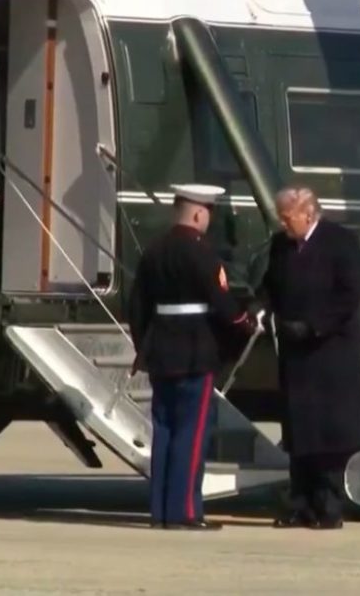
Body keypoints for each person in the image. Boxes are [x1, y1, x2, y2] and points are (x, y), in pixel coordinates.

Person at [127, 183, 263, 531]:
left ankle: (160, 510)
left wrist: (143, 346)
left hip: (161, 351)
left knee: (164, 430)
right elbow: (221, 302)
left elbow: (137, 306)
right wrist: (245, 323)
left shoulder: (154, 250)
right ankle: (185, 511)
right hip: (195, 352)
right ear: (200, 213)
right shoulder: (201, 253)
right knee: (192, 431)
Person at [256, 187, 360, 530]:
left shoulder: (339, 242)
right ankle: (300, 504)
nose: (283, 223)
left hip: (329, 352)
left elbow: (349, 295)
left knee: (327, 433)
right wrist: (260, 307)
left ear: (308, 213)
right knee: (299, 431)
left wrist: (314, 327)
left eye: (287, 217)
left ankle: (328, 506)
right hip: (295, 354)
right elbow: (271, 285)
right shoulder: (282, 245)